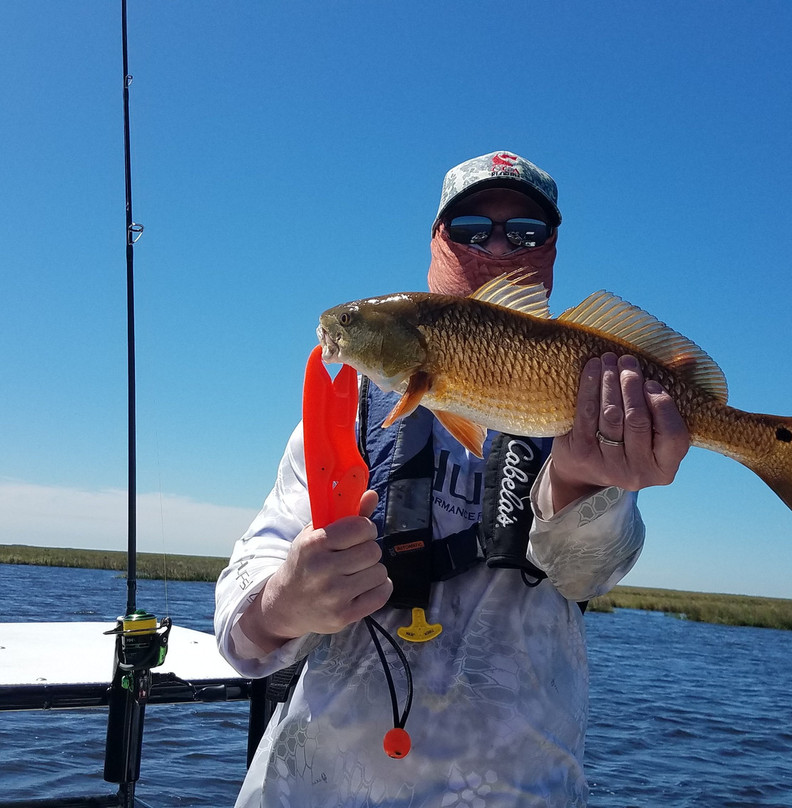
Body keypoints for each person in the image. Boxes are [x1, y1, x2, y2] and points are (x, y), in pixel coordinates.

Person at [214, 150, 690, 807]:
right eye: (469, 227)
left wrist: (585, 483)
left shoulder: (591, 400)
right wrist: (285, 601)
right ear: (436, 243)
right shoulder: (349, 407)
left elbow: (591, 571)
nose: (497, 246)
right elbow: (241, 630)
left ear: (550, 254)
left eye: (526, 232)